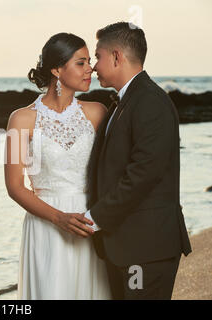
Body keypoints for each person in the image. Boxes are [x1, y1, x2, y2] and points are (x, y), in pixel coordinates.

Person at [85, 21, 192, 300]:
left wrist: (94, 218)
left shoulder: (150, 102)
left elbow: (143, 174)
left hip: (146, 249)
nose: (94, 66)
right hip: (126, 247)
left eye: (98, 56)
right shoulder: (123, 102)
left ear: (117, 56)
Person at [4, 32, 111, 299]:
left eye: (89, 62)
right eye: (81, 63)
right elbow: (15, 187)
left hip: (89, 225)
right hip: (46, 227)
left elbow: (113, 171)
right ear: (56, 69)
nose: (90, 69)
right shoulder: (21, 119)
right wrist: (59, 218)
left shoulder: (97, 112)